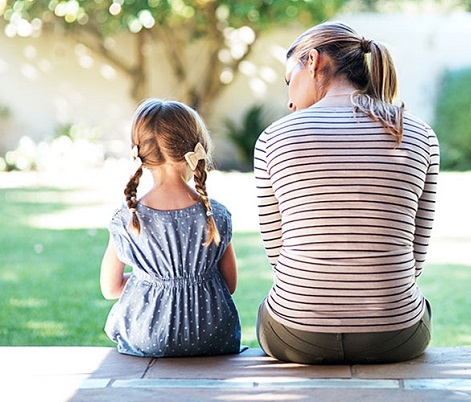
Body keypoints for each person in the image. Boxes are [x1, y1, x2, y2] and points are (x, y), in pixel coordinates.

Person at [254, 21, 440, 365]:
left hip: (296, 336)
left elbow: (278, 255)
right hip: (395, 336)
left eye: (288, 80)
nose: (289, 99)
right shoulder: (418, 134)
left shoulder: (274, 138)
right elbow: (415, 255)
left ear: (312, 61)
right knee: (419, 305)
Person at [100, 98, 241, 357]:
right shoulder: (216, 214)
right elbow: (229, 284)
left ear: (140, 154)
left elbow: (110, 288)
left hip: (148, 337)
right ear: (196, 149)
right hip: (212, 336)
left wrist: (151, 280)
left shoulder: (127, 218)